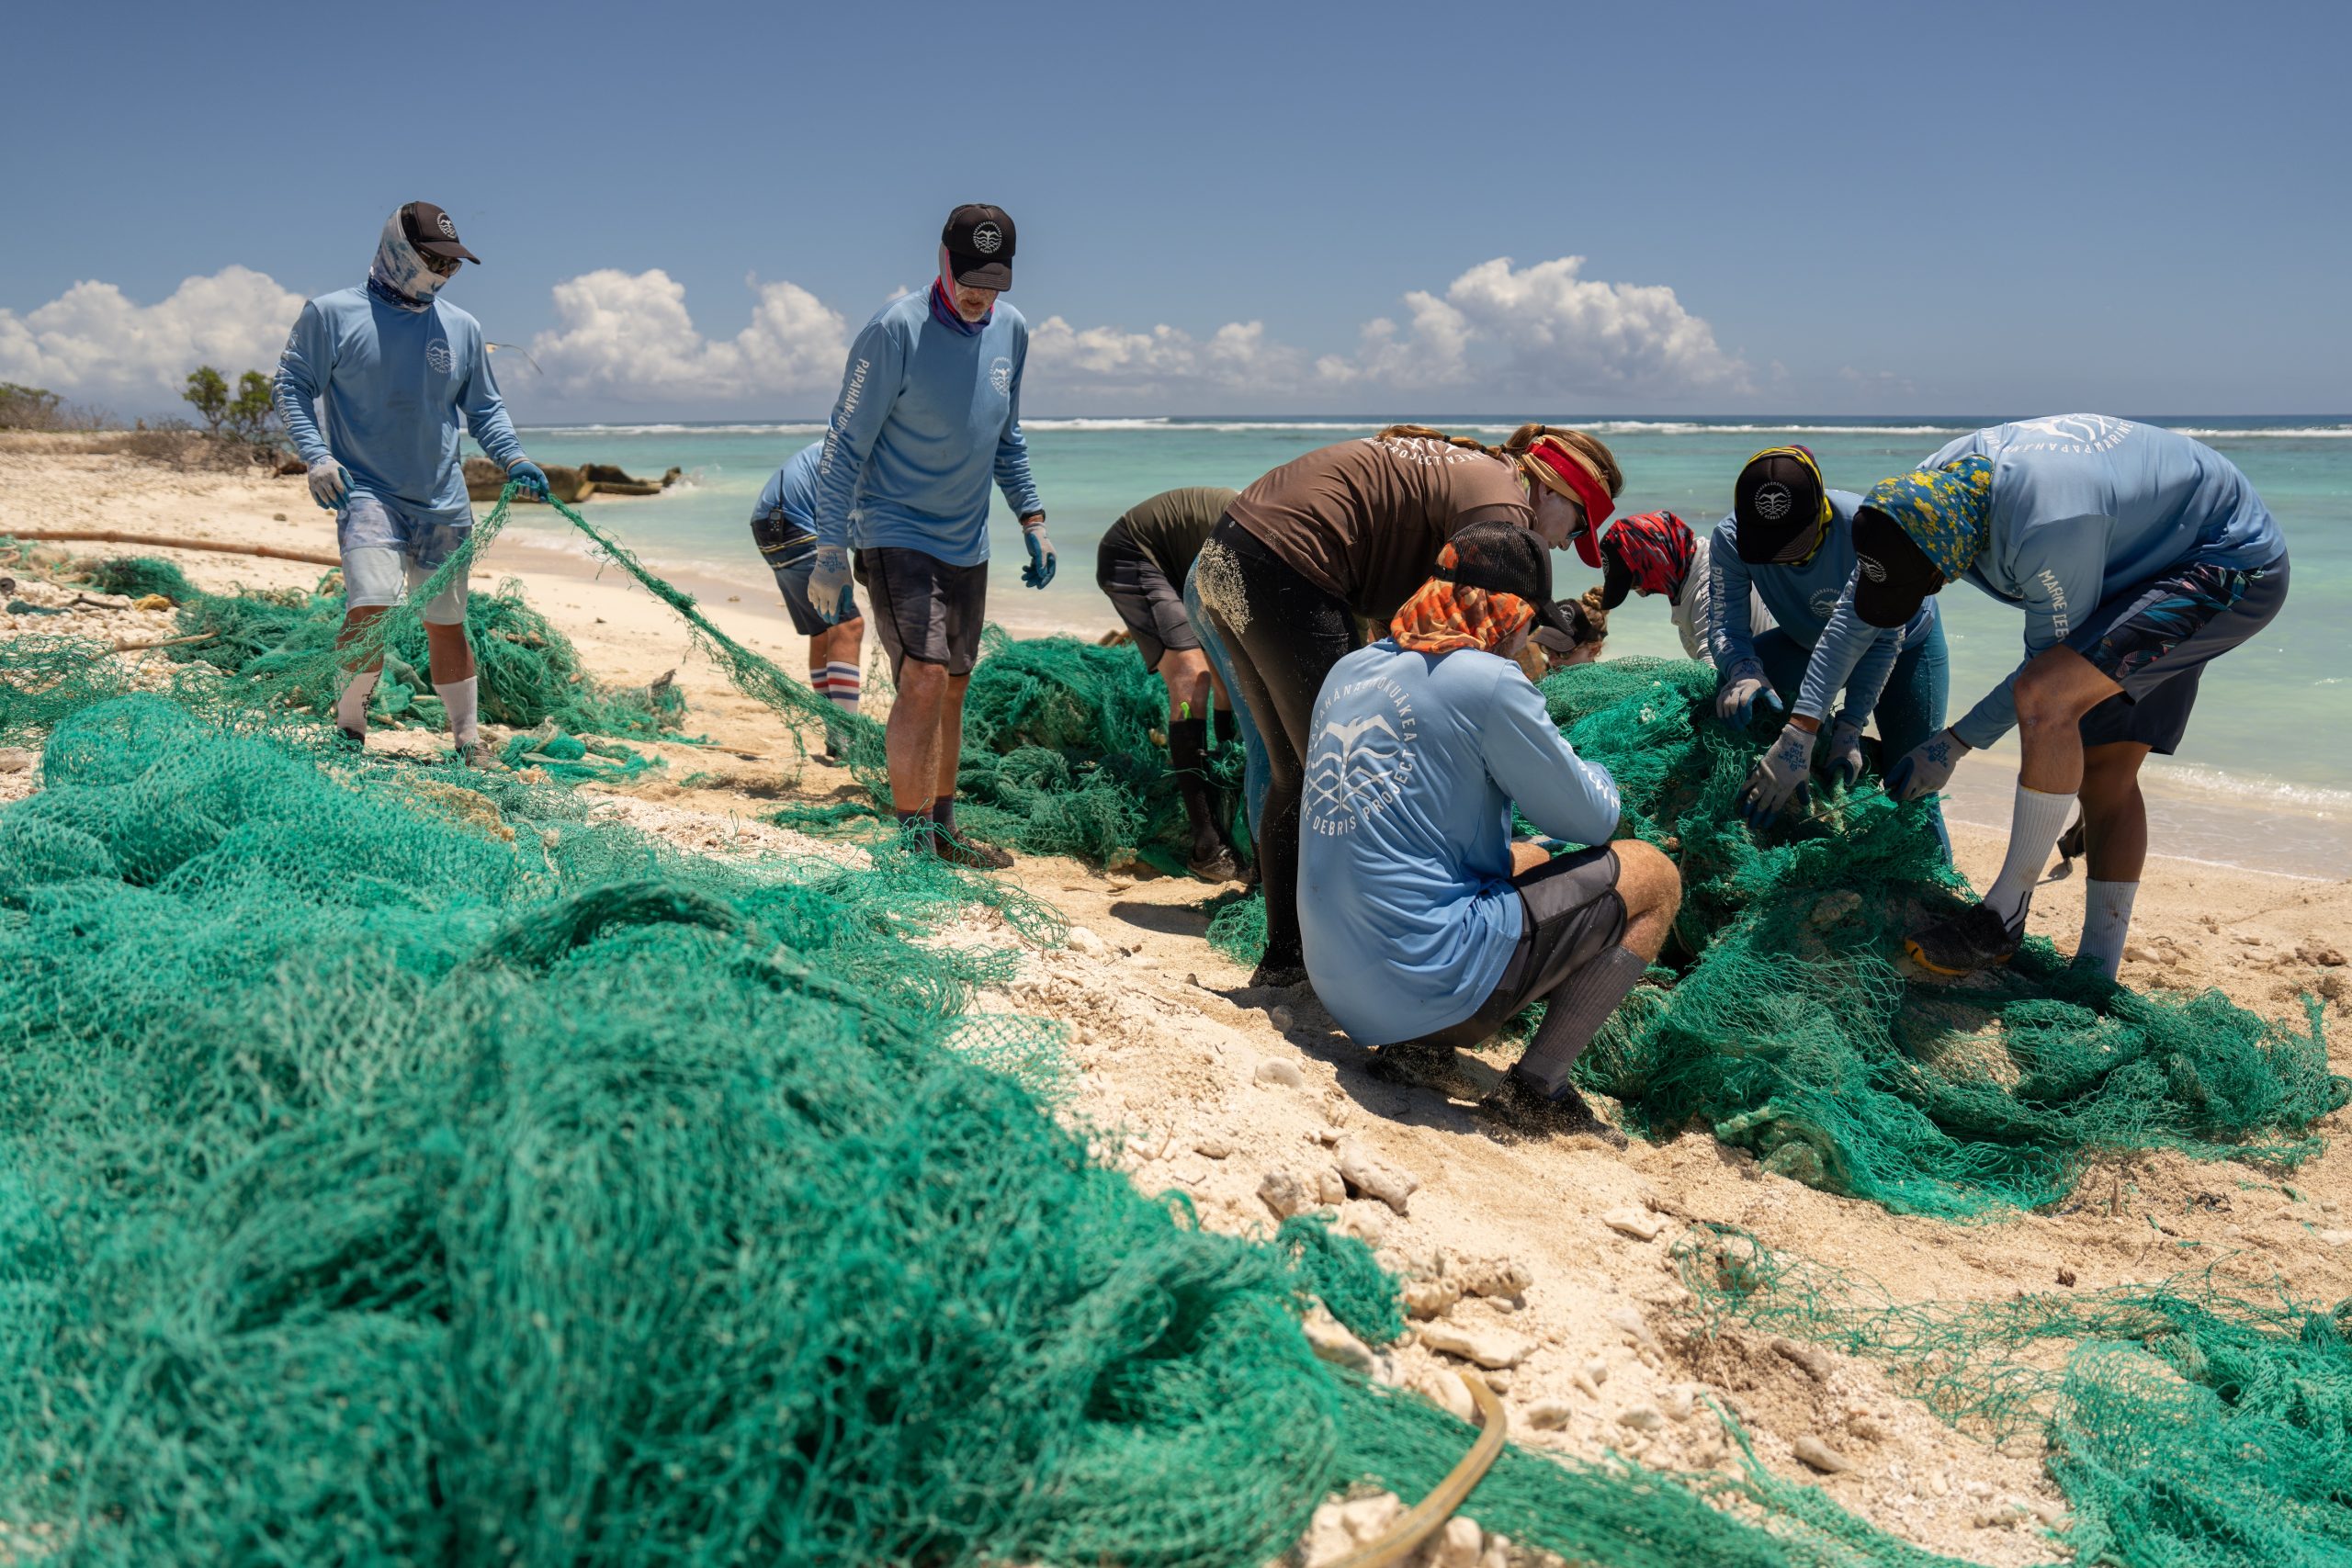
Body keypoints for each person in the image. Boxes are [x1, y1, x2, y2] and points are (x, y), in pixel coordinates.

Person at [1809, 416, 2288, 979]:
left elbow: (2040, 680)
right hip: (2131, 552)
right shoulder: (1917, 499)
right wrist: (1802, 726)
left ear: (1953, 555)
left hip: (2225, 561)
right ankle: (2097, 971)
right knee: (2103, 770)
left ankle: (2002, 919)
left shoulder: (2048, 529)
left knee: (2050, 701)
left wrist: (1955, 744)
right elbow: (1856, 612)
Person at [1198, 423, 1624, 987]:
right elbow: (1474, 622)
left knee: (1299, 770)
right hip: (1287, 561)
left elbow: (1425, 613)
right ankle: (1363, 961)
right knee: (1339, 777)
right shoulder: (1502, 502)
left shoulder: (1479, 472)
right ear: (1552, 489)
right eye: (1578, 526)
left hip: (1230, 554)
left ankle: (1286, 959)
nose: (1569, 544)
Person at [1298, 524, 1681, 1140]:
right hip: (1421, 986)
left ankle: (1418, 1052)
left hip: (1339, 983)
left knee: (1530, 855)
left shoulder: (1350, 668)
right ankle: (1537, 1090)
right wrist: (1606, 776)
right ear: (1510, 616)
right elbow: (1589, 818)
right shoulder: (1488, 679)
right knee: (1651, 875)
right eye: (1529, 624)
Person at [807, 204, 1050, 869]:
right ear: (942, 260)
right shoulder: (894, 331)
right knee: (922, 677)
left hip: (967, 541)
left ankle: (943, 831)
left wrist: (1032, 518)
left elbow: (1007, 437)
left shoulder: (1013, 331)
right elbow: (842, 445)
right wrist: (831, 549)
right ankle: (915, 846)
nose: (980, 294)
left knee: (953, 685)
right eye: (969, 276)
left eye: (994, 281)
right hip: (895, 530)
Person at [274, 201, 550, 765]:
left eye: (452, 264)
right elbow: (290, 385)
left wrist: (514, 459)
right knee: (371, 605)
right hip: (367, 491)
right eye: (433, 260)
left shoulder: (463, 328)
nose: (443, 273)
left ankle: (468, 740)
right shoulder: (330, 314)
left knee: (446, 622)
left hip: (444, 501)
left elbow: (486, 409)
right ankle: (350, 726)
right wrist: (317, 457)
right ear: (398, 249)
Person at [1711, 446, 1951, 845]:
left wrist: (1850, 726)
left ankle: (1938, 892)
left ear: (1821, 514)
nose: (1783, 562)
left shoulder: (1868, 530)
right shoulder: (1731, 538)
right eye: (1769, 548)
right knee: (1732, 704)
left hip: (1906, 645)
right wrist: (1742, 671)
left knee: (1913, 784)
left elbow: (1885, 638)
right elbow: (1726, 627)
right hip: (1802, 641)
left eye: (1793, 546)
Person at [1096, 485, 1247, 880]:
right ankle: (1206, 843)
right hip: (1134, 554)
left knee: (1226, 674)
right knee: (1191, 680)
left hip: (1189, 566)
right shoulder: (1260, 540)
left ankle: (1223, 793)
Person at [750, 444, 864, 762]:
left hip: (768, 523)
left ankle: (835, 735)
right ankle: (846, 739)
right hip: (796, 526)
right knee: (849, 626)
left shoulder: (844, 438)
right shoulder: (868, 451)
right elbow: (858, 519)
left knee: (823, 631)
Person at [1596, 509, 1769, 664]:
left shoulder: (1708, 589)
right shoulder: (1698, 561)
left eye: (1634, 583)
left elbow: (1714, 668)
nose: (1642, 593)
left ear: (1654, 559)